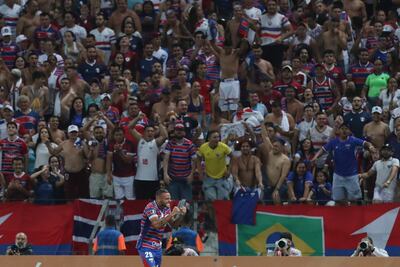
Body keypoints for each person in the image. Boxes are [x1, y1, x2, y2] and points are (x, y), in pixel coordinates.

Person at [312, 123, 376, 204]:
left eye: (346, 129)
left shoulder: (353, 140)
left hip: (352, 176)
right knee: (338, 201)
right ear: (339, 130)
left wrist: (371, 147)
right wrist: (315, 157)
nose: (344, 130)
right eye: (342, 129)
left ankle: (353, 216)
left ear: (349, 131)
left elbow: (366, 143)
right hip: (338, 176)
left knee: (354, 201)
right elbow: (323, 149)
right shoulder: (333, 142)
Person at [137, 189, 187, 267]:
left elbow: (174, 225)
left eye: (170, 198)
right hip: (145, 245)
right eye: (167, 199)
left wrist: (181, 215)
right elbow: (156, 225)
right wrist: (172, 214)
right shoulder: (150, 207)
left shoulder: (166, 208)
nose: (169, 201)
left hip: (157, 247)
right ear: (159, 199)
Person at [197, 131, 233, 200]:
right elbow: (198, 159)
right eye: (214, 137)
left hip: (222, 177)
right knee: (210, 199)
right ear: (209, 139)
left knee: (223, 199)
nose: (217, 139)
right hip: (208, 177)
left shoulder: (223, 147)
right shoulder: (203, 147)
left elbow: (233, 157)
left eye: (218, 137)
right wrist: (200, 172)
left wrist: (229, 170)